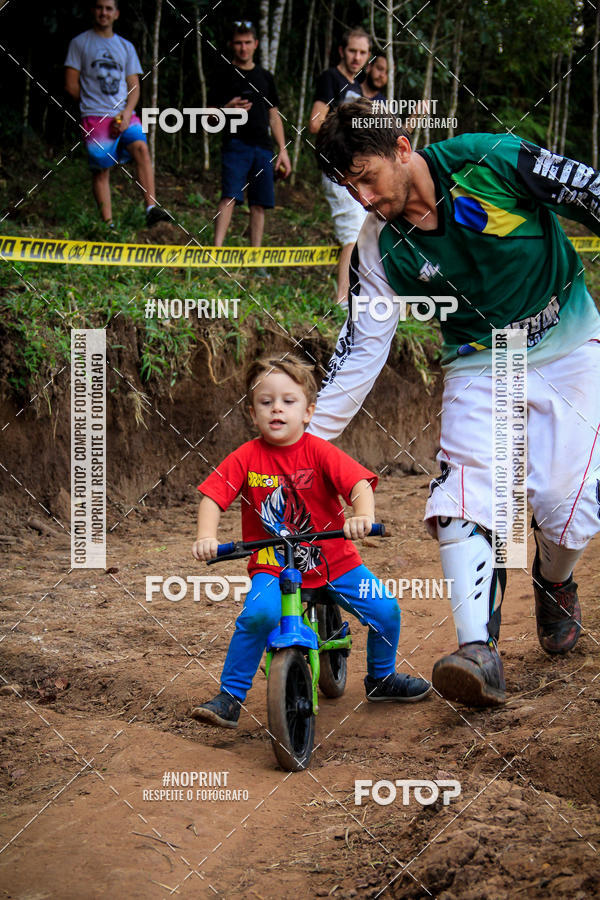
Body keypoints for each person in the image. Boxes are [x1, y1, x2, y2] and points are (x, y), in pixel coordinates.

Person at [309, 96, 600, 707]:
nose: (362, 197)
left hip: (567, 339)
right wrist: (308, 441)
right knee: (464, 494)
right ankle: (477, 651)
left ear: (402, 148)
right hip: (476, 360)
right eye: (347, 185)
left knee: (563, 508)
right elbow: (362, 347)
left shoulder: (491, 160)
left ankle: (554, 581)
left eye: (366, 177)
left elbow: (589, 190)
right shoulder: (378, 246)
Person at [191, 354, 431, 728]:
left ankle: (381, 678)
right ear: (252, 414)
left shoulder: (319, 451)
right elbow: (213, 496)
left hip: (335, 558)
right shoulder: (245, 458)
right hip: (273, 563)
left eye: (289, 401)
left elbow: (357, 485)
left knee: (385, 610)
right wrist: (207, 536)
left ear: (308, 411)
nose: (277, 409)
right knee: (259, 615)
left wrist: (362, 516)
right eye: (266, 402)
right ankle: (230, 696)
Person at [65, 0, 171, 228]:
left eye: (108, 8)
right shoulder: (80, 43)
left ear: (116, 14)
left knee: (141, 148)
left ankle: (151, 208)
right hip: (94, 116)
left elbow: (134, 85)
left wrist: (126, 112)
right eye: (99, 7)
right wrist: (93, 106)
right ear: (93, 10)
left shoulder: (126, 47)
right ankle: (108, 224)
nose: (103, 12)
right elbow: (71, 85)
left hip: (124, 113)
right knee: (102, 169)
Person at [209, 22, 291, 258]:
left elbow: (274, 115)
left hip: (263, 148)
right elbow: (208, 115)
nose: (243, 48)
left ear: (255, 44)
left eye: (247, 43)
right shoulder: (223, 73)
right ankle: (216, 253)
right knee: (229, 195)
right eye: (238, 43)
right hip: (235, 145)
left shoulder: (265, 77)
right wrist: (227, 108)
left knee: (259, 203)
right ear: (231, 45)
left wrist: (282, 150)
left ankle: (256, 258)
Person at [309, 28, 372, 305]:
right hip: (335, 168)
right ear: (341, 51)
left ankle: (353, 294)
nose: (357, 57)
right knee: (353, 230)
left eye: (362, 52)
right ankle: (343, 300)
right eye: (352, 51)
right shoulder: (330, 78)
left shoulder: (358, 87)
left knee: (361, 228)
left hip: (355, 169)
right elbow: (314, 122)